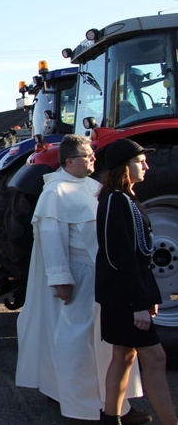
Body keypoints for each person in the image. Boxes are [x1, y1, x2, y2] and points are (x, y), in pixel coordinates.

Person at [16, 135, 147, 423]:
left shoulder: (95, 187)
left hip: (104, 276)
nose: (93, 159)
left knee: (108, 343)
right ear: (70, 161)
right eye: (88, 156)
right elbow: (51, 239)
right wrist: (61, 278)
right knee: (78, 343)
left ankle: (115, 403)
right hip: (79, 278)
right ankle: (81, 406)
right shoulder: (55, 193)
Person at [96, 138, 177, 425]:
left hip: (127, 296)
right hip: (124, 299)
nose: (146, 166)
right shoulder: (117, 200)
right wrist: (138, 304)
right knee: (154, 359)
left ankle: (111, 418)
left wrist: (149, 297)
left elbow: (136, 257)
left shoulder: (125, 198)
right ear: (123, 167)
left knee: (124, 356)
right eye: (139, 161)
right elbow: (119, 258)